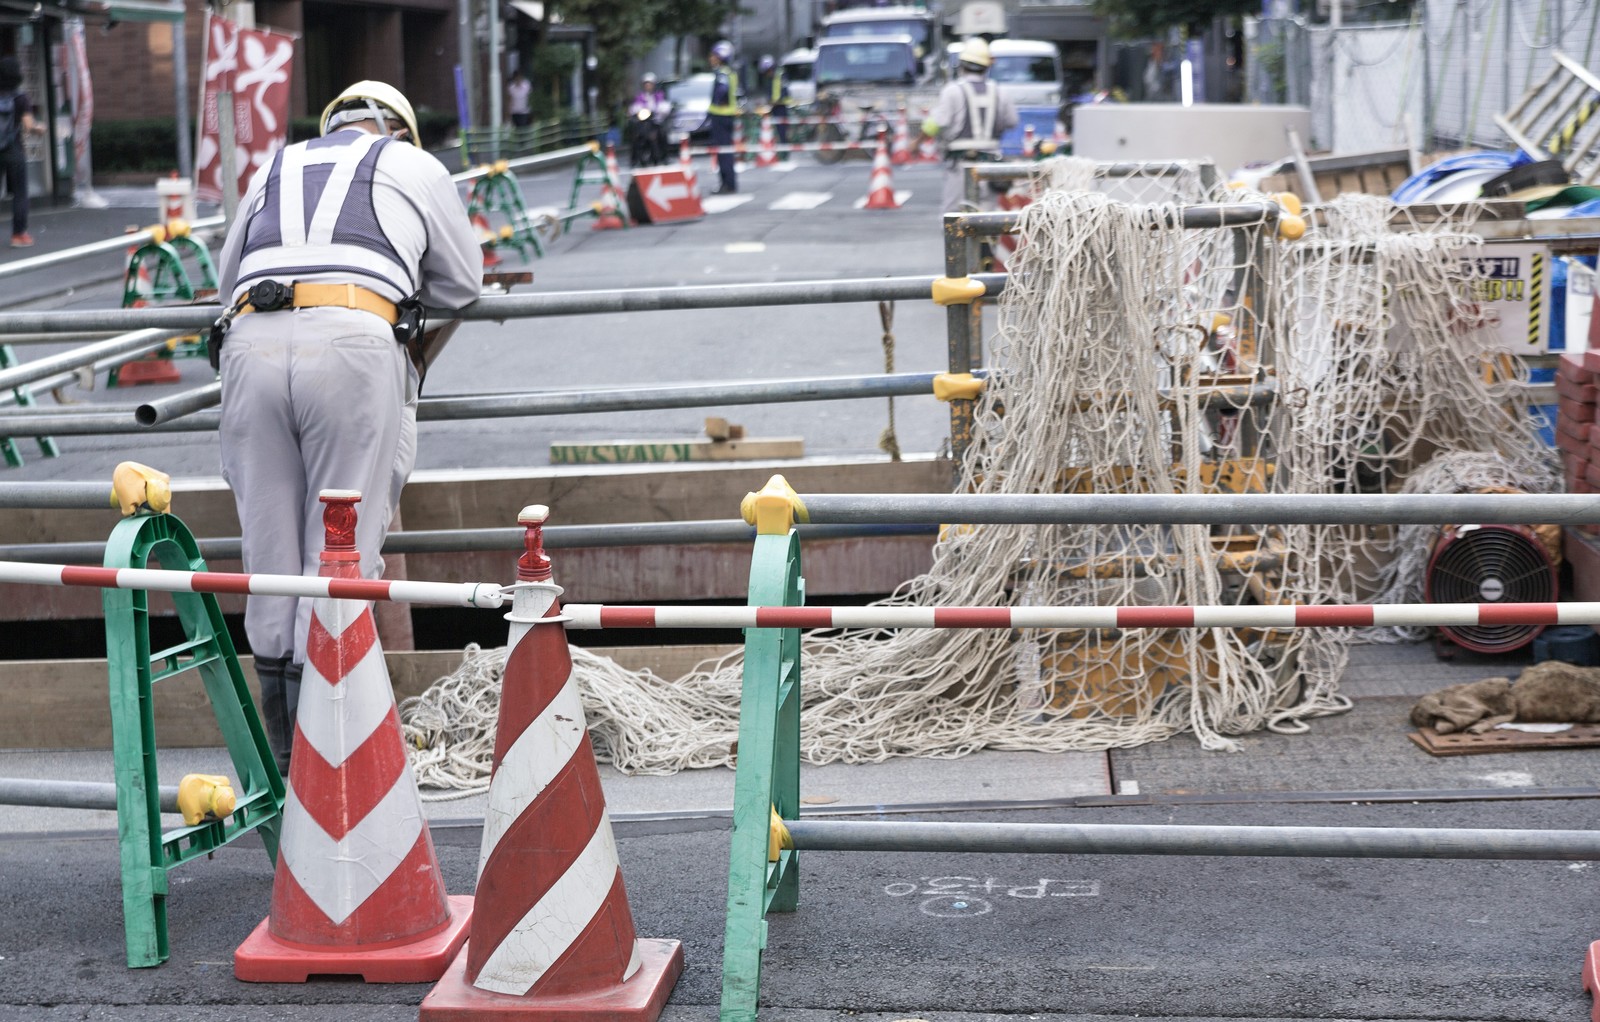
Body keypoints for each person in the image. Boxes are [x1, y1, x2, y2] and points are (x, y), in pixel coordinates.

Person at [211, 81, 482, 772]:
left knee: (268, 558)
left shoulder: (272, 166)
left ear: (331, 126)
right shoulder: (414, 165)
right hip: (355, 339)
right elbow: (461, 286)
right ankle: (332, 759)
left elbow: (225, 282)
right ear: (396, 129)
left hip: (250, 340)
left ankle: (278, 761)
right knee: (339, 552)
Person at [921, 38, 1018, 214]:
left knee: (955, 217)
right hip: (991, 165)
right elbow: (1012, 121)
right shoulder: (1000, 91)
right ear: (987, 66)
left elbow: (936, 123)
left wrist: (916, 141)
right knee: (988, 218)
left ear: (962, 64)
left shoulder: (952, 91)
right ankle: (987, 242)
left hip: (960, 165)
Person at [0, 56, 47, 248]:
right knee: (20, 191)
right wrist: (39, 127)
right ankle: (19, 234)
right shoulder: (20, 98)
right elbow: (28, 126)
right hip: (13, 149)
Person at [707, 40, 741, 194]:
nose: (711, 58)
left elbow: (723, 90)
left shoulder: (722, 73)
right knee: (726, 151)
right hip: (727, 116)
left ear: (720, 56)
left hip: (720, 116)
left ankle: (727, 184)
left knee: (723, 152)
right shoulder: (730, 72)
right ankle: (729, 183)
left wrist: (717, 102)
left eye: (713, 55)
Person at [629, 72, 671, 166]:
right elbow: (634, 108)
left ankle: (664, 156)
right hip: (642, 123)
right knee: (635, 136)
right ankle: (634, 159)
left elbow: (665, 107)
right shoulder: (640, 97)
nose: (648, 86)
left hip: (655, 123)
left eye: (650, 84)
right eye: (646, 84)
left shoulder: (658, 96)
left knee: (663, 134)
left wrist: (658, 111)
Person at [757, 54, 790, 144]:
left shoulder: (780, 75)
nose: (767, 74)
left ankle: (784, 148)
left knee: (782, 129)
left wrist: (774, 102)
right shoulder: (770, 78)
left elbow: (784, 91)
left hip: (781, 106)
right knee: (775, 128)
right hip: (774, 106)